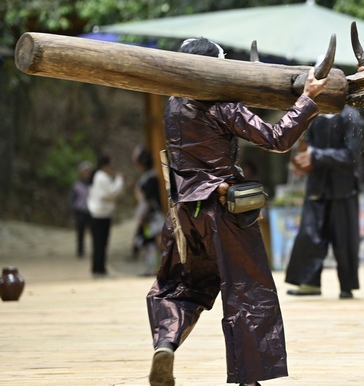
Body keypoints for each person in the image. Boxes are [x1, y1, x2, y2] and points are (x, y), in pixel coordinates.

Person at [146, 37, 328, 386]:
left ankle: (165, 344)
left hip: (183, 215)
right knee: (247, 290)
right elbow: (277, 138)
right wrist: (308, 99)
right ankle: (249, 380)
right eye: (223, 61)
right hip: (223, 212)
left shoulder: (172, 105)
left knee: (180, 286)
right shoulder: (223, 107)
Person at [284, 105, 363, 299]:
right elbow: (308, 146)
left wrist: (316, 156)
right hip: (316, 186)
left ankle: (346, 286)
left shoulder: (350, 116)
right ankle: (310, 283)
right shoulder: (315, 115)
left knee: (344, 240)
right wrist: (304, 159)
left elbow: (351, 154)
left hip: (343, 189)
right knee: (309, 235)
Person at [87, 154, 125, 277]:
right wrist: (119, 180)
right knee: (100, 243)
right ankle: (99, 269)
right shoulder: (101, 177)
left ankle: (98, 267)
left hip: (98, 214)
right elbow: (111, 193)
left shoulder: (98, 176)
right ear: (105, 165)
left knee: (99, 243)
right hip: (100, 215)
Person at [132, 146, 164, 277]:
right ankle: (151, 268)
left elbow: (148, 200)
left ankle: (155, 270)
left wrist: (141, 217)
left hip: (152, 216)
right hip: (148, 217)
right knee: (149, 243)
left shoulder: (151, 178)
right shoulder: (147, 177)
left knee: (153, 243)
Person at [69, 160, 93, 258]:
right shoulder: (77, 185)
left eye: (88, 171)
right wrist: (73, 209)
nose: (86, 173)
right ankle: (80, 251)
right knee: (80, 232)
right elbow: (72, 198)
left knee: (93, 232)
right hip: (80, 211)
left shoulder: (93, 184)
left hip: (91, 211)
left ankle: (94, 251)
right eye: (85, 171)